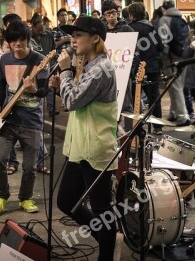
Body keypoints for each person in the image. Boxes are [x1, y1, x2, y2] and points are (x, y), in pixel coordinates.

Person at [49, 17, 117, 261]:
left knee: (101, 209)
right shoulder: (87, 65)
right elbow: (74, 99)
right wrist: (61, 83)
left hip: (96, 147)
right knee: (66, 201)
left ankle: (107, 251)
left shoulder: (102, 68)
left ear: (95, 38)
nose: (73, 40)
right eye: (72, 35)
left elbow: (73, 101)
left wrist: (66, 72)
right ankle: (107, 238)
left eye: (78, 35)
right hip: (79, 146)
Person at [0, 20, 50, 216]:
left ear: (28, 40)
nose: (17, 45)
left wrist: (34, 89)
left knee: (30, 167)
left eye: (21, 41)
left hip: (31, 121)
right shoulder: (5, 59)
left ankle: (26, 198)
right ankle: (2, 196)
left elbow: (44, 91)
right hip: (8, 120)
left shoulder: (39, 60)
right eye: (13, 42)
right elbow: (4, 86)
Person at [125, 2, 163, 129]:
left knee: (134, 99)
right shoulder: (153, 28)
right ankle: (157, 127)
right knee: (154, 97)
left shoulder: (129, 29)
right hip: (153, 66)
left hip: (136, 68)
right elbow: (161, 48)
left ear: (131, 15)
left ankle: (135, 128)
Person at [158, 0, 191, 126]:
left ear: (163, 8)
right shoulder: (181, 19)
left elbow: (164, 40)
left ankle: (183, 117)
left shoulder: (165, 19)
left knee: (175, 87)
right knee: (178, 86)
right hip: (184, 56)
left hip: (172, 58)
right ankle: (173, 113)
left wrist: (164, 58)